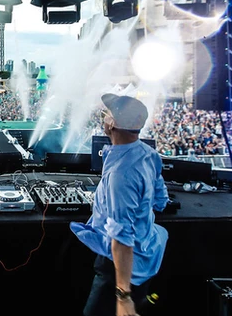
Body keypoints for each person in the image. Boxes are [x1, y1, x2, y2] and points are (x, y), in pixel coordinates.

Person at [71, 94, 169, 316]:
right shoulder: (149, 154)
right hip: (148, 253)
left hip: (120, 267)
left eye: (106, 113)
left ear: (112, 123)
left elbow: (122, 237)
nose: (103, 117)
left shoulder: (120, 175)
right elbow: (161, 201)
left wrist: (123, 296)